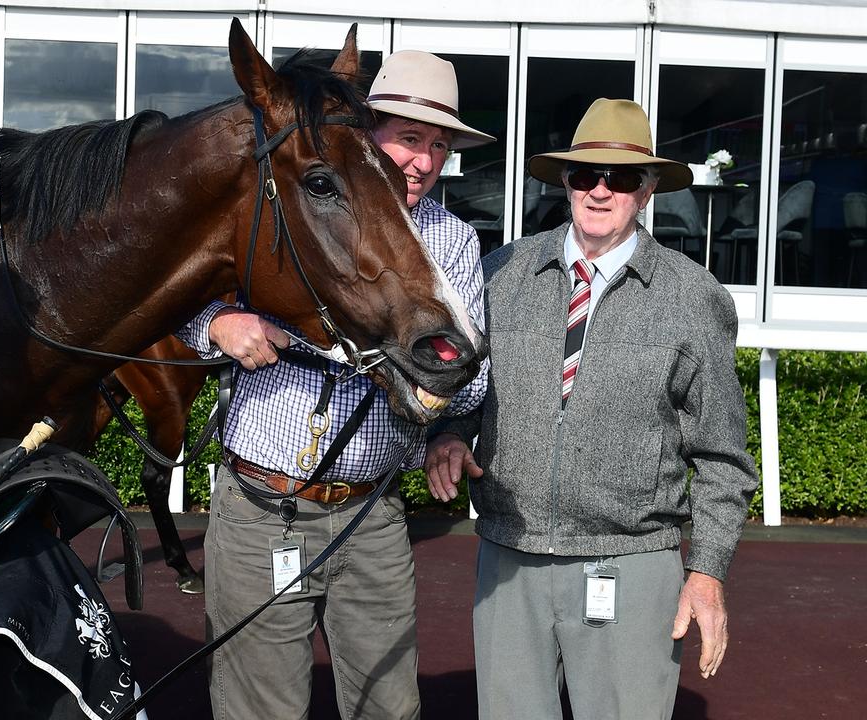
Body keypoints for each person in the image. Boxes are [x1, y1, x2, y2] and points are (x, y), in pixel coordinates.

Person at [176, 50, 493, 719]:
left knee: (389, 707)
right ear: (366, 131)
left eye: (439, 145)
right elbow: (182, 309)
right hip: (262, 508)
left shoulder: (454, 241)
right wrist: (222, 324)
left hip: (370, 516)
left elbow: (469, 383)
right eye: (410, 137)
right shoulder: (286, 204)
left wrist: (424, 383)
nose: (425, 161)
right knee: (257, 710)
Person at [428, 98, 759, 719]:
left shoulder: (692, 297)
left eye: (622, 178)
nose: (601, 190)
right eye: (586, 175)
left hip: (631, 566)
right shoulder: (502, 273)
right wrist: (448, 434)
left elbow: (723, 457)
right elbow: (464, 387)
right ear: (566, 182)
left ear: (648, 190)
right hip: (510, 557)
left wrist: (707, 574)